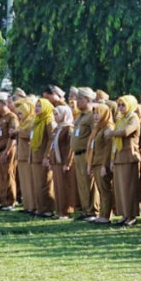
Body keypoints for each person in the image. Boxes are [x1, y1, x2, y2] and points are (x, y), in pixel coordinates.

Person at [106, 96, 141, 226]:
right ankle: (124, 215)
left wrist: (112, 132)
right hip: (119, 157)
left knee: (129, 187)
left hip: (129, 156)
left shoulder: (133, 118)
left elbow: (126, 131)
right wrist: (112, 159)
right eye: (119, 105)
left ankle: (131, 215)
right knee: (120, 188)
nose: (120, 107)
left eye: (123, 105)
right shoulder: (121, 119)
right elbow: (115, 143)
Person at [72, 88, 99, 221]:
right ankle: (86, 210)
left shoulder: (91, 116)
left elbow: (94, 136)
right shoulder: (80, 116)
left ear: (88, 100)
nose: (77, 102)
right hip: (77, 154)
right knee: (82, 184)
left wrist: (92, 156)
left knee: (89, 183)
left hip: (86, 154)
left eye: (80, 99)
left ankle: (93, 210)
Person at [47, 105, 76, 219]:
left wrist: (67, 163)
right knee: (58, 187)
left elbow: (70, 147)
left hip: (63, 162)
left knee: (65, 187)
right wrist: (50, 160)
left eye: (57, 114)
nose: (55, 117)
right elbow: (53, 146)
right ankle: (59, 210)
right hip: (56, 162)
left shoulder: (68, 129)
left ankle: (66, 211)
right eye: (54, 114)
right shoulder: (56, 128)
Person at [28, 99, 56, 218]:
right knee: (38, 184)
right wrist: (30, 156)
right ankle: (40, 208)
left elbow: (51, 139)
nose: (37, 108)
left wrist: (47, 156)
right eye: (36, 106)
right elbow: (32, 140)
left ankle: (48, 209)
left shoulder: (48, 120)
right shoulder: (36, 120)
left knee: (45, 183)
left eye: (40, 106)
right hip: (35, 156)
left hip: (43, 158)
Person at [88, 103, 115, 225]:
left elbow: (108, 149)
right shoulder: (97, 128)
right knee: (100, 189)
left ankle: (106, 215)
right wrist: (90, 163)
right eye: (94, 113)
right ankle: (102, 214)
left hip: (102, 163)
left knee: (105, 190)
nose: (95, 116)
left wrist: (105, 165)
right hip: (96, 162)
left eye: (98, 113)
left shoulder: (108, 128)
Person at [0, 94, 18, 211]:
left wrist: (7, 151)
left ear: (3, 103)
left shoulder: (11, 117)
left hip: (7, 150)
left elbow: (12, 137)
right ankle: (3, 201)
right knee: (1, 177)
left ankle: (10, 201)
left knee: (8, 175)